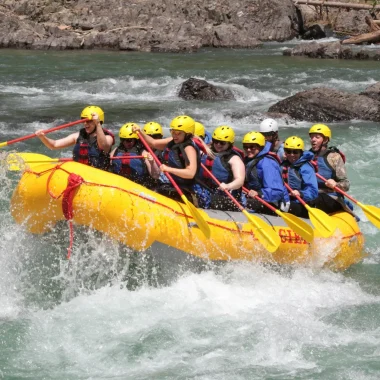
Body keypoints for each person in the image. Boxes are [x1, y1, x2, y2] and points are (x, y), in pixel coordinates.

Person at [132, 115, 201, 204]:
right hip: (171, 184)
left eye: (178, 133)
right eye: (173, 132)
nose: (175, 135)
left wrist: (168, 169)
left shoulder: (189, 148)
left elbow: (190, 173)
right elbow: (153, 143)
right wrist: (140, 131)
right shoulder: (173, 141)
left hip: (185, 188)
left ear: (187, 134)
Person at [35, 106, 114, 170]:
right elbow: (54, 145)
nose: (85, 123)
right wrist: (42, 137)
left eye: (89, 121)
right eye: (83, 120)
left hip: (99, 175)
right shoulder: (77, 136)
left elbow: (103, 146)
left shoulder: (108, 138)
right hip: (79, 172)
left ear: (99, 121)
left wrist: (97, 124)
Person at [198, 125, 245, 210]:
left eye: (222, 143)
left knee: (214, 201)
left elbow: (240, 180)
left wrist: (228, 186)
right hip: (203, 189)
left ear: (230, 143)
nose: (218, 144)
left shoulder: (234, 159)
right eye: (216, 141)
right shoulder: (205, 151)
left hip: (222, 193)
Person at [243, 131, 290, 214]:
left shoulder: (267, 163)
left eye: (252, 147)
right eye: (245, 147)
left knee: (246, 203)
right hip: (257, 197)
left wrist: (259, 193)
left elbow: (277, 192)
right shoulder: (249, 160)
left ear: (261, 147)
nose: (248, 149)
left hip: (274, 202)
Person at [309, 123, 351, 214]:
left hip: (330, 196)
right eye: (312, 137)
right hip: (310, 194)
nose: (313, 140)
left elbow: (346, 184)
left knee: (314, 200)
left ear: (325, 140)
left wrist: (336, 184)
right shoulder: (306, 156)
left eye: (317, 137)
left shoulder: (334, 157)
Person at [110, 123, 160, 188]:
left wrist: (152, 162)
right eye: (123, 140)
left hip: (139, 185)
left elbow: (155, 176)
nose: (126, 143)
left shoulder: (143, 152)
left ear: (135, 139)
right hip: (120, 184)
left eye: (129, 140)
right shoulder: (116, 150)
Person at [281, 136, 318, 218]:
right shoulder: (283, 164)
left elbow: (313, 191)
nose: (291, 155)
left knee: (282, 207)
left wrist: (300, 193)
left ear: (301, 152)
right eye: (288, 151)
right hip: (286, 199)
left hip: (301, 203)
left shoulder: (306, 167)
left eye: (295, 152)